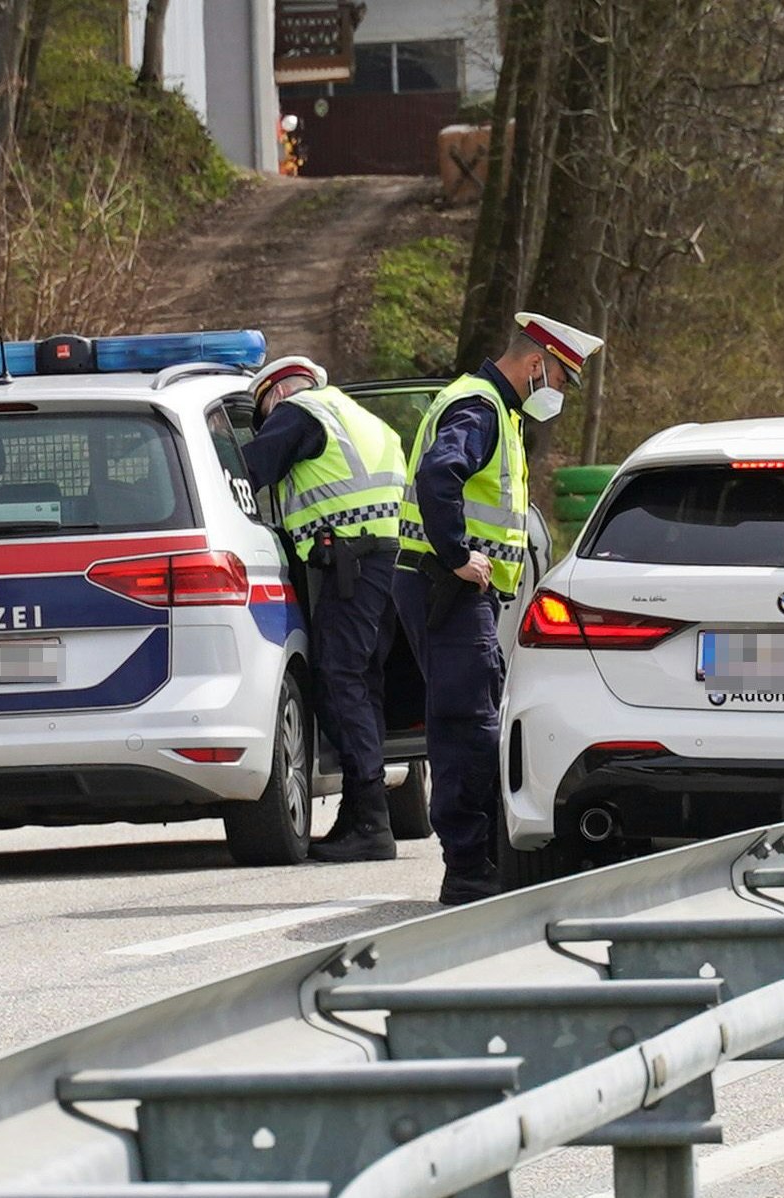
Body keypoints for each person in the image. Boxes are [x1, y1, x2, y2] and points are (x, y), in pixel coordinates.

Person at [394, 312, 604, 905]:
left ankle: (476, 859)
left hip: (453, 593)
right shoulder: (481, 407)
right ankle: (468, 867)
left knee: (474, 718)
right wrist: (458, 552)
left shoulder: (494, 410)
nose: (559, 395)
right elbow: (441, 473)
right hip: (449, 588)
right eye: (561, 380)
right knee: (468, 726)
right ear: (536, 364)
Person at [241, 355, 408, 863]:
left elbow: (248, 473)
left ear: (278, 394)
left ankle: (372, 823)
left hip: (348, 566)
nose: (269, 421)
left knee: (339, 681)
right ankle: (362, 816)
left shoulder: (300, 413)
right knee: (364, 685)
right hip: (387, 564)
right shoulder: (363, 419)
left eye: (264, 413)